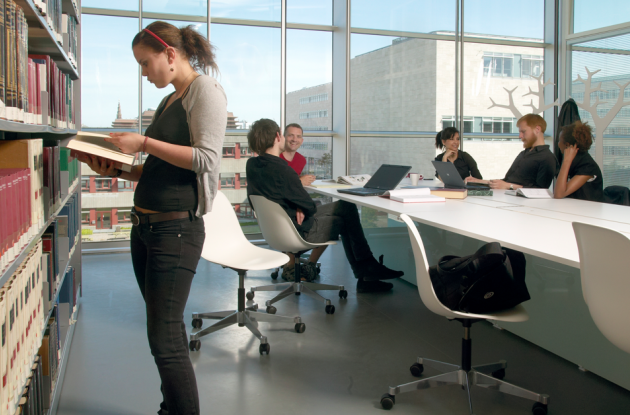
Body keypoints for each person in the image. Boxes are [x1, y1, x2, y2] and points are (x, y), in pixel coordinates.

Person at [77, 21, 226, 415]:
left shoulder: (204, 91)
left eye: (146, 63)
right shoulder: (167, 101)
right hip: (146, 228)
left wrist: (142, 142)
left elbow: (207, 160)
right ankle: (171, 409)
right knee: (168, 330)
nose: (144, 73)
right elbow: (156, 169)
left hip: (175, 231)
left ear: (170, 55)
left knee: (164, 338)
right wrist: (119, 170)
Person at [246, 118, 404, 293]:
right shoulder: (284, 170)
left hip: (277, 228)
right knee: (345, 215)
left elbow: (270, 196)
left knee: (345, 206)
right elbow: (310, 206)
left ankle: (367, 272)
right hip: (299, 230)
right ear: (278, 136)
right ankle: (367, 271)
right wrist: (302, 204)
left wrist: (298, 204)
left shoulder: (252, 165)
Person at [279, 123, 324, 281]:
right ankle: (290, 265)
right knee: (314, 219)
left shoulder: (300, 160)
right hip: (281, 207)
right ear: (284, 137)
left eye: (298, 136)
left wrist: (300, 204)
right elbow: (282, 186)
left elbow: (294, 189)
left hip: (294, 201)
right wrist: (300, 181)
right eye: (291, 135)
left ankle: (309, 265)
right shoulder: (277, 159)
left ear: (302, 140)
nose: (294, 139)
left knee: (322, 216)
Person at [467, 114, 558, 190]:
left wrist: (508, 186)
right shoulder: (523, 154)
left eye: (523, 131)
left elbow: (540, 191)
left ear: (537, 129)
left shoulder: (547, 158)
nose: (520, 136)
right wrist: (477, 181)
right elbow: (505, 182)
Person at [554, 121, 604, 202]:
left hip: (590, 211)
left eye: (559, 141)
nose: (558, 144)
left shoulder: (587, 166)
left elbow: (559, 194)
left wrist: (566, 161)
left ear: (567, 145)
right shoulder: (577, 161)